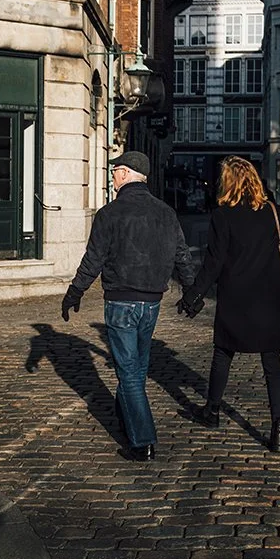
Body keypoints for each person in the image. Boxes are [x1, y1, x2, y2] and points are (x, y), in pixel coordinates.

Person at [61, 151, 196, 461]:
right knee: (137, 365)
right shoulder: (166, 213)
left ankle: (143, 440)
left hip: (121, 299)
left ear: (124, 174)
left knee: (130, 372)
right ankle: (127, 417)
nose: (112, 178)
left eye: (114, 172)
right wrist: (190, 290)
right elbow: (182, 255)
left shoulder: (109, 214)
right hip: (152, 302)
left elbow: (93, 259)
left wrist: (74, 292)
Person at [177, 156, 280, 452]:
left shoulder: (223, 216)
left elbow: (213, 263)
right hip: (268, 298)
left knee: (223, 354)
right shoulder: (272, 211)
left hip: (235, 297)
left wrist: (193, 295)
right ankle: (278, 430)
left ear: (228, 182)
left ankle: (212, 411)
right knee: (272, 363)